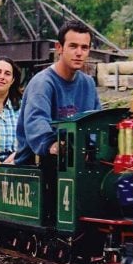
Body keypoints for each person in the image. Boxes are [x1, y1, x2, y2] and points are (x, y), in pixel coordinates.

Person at [14, 20, 101, 165]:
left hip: (77, 163)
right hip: (39, 166)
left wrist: (93, 146)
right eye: (73, 46)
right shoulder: (42, 83)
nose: (79, 53)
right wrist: (53, 145)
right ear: (59, 48)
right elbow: (37, 121)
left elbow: (97, 123)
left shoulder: (89, 84)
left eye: (84, 48)